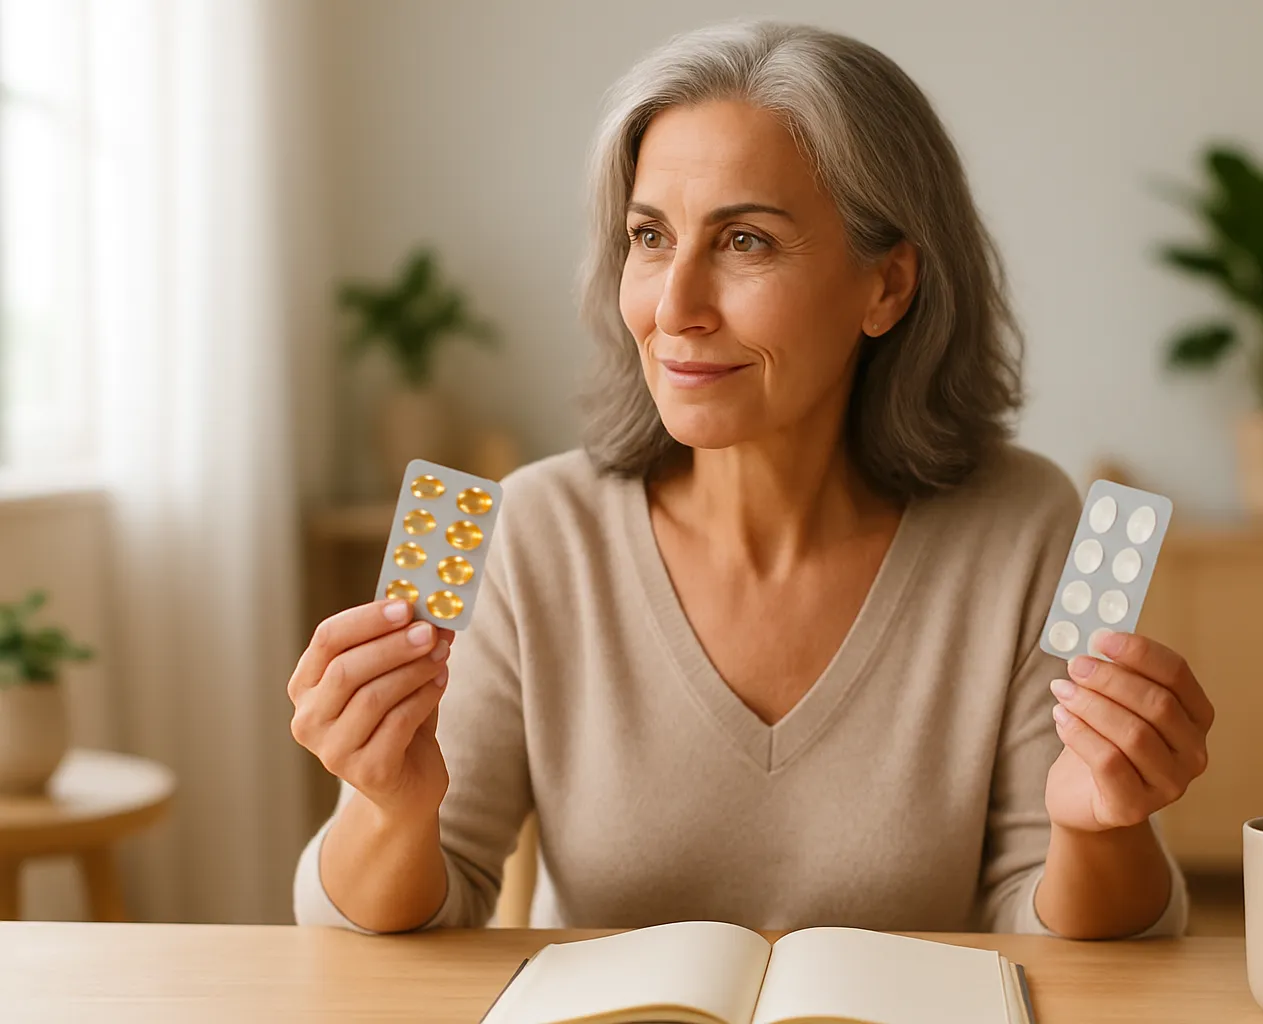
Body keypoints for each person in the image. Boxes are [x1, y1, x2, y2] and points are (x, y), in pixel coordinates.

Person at [291, 20, 1212, 939]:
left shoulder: (1023, 527)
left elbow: (1066, 939)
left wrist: (1099, 826)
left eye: (745, 243)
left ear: (887, 287)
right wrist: (387, 809)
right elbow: (400, 920)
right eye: (650, 237)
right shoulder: (541, 531)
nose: (676, 308)